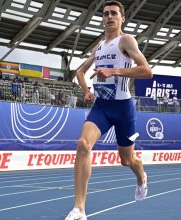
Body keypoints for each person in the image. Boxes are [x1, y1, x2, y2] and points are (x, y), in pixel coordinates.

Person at [65, 1, 152, 219]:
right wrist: (86, 91)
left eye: (114, 13)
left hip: (123, 109)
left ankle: (141, 174)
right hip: (102, 107)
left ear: (122, 18)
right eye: (105, 14)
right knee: (83, 145)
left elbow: (146, 71)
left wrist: (113, 70)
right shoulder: (100, 47)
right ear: (102, 19)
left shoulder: (126, 40)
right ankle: (79, 209)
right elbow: (79, 71)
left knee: (126, 160)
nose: (109, 17)